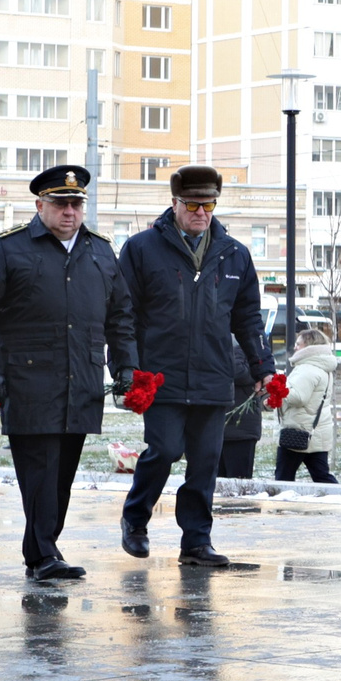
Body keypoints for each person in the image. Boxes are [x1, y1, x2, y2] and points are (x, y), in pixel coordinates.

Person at [0, 165, 138, 583]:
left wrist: (126, 367)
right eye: (60, 204)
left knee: (61, 477)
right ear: (40, 206)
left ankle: (43, 549)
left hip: (82, 380)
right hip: (28, 380)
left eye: (76, 204)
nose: (69, 212)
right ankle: (43, 553)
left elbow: (121, 316)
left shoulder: (100, 251)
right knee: (40, 472)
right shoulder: (9, 248)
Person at [117, 165, 271, 565]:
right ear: (174, 203)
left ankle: (197, 542)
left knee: (205, 463)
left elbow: (248, 319)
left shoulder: (234, 254)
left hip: (213, 376)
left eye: (208, 205)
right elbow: (123, 315)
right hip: (160, 375)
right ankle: (135, 519)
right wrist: (128, 368)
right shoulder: (141, 249)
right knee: (165, 449)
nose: (201, 212)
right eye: (192, 205)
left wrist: (263, 368)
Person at [276, 327, 339, 483]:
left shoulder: (307, 368)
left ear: (310, 346)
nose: (295, 347)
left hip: (298, 430)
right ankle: (340, 496)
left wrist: (279, 390)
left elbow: (298, 397)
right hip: (316, 431)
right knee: (322, 476)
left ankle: (281, 501)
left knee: (283, 478)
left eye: (299, 344)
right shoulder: (322, 367)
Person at [218, 342, 260, 479]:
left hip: (239, 429)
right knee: (223, 481)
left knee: (238, 481)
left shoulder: (240, 350)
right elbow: (237, 371)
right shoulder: (237, 350)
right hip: (230, 427)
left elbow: (237, 371)